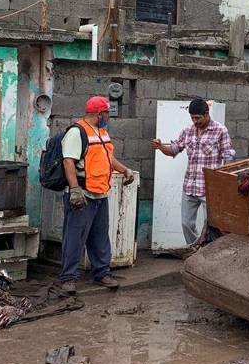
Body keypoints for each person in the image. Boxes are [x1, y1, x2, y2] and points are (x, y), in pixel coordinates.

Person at [52, 96, 135, 295]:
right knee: (75, 237)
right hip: (82, 194)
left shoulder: (102, 132)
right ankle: (69, 278)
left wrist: (125, 170)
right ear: (99, 114)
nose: (109, 117)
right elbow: (68, 161)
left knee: (100, 237)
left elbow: (108, 158)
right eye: (107, 113)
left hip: (100, 194)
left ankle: (102, 273)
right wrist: (74, 190)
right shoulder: (76, 132)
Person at [151, 98, 235, 246]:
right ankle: (197, 249)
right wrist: (160, 147)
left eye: (198, 118)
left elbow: (228, 156)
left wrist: (223, 181)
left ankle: (208, 253)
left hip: (210, 188)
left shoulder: (220, 130)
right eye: (192, 118)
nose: (195, 121)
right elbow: (173, 150)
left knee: (213, 226)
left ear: (207, 114)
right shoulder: (187, 131)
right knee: (186, 224)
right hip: (190, 186)